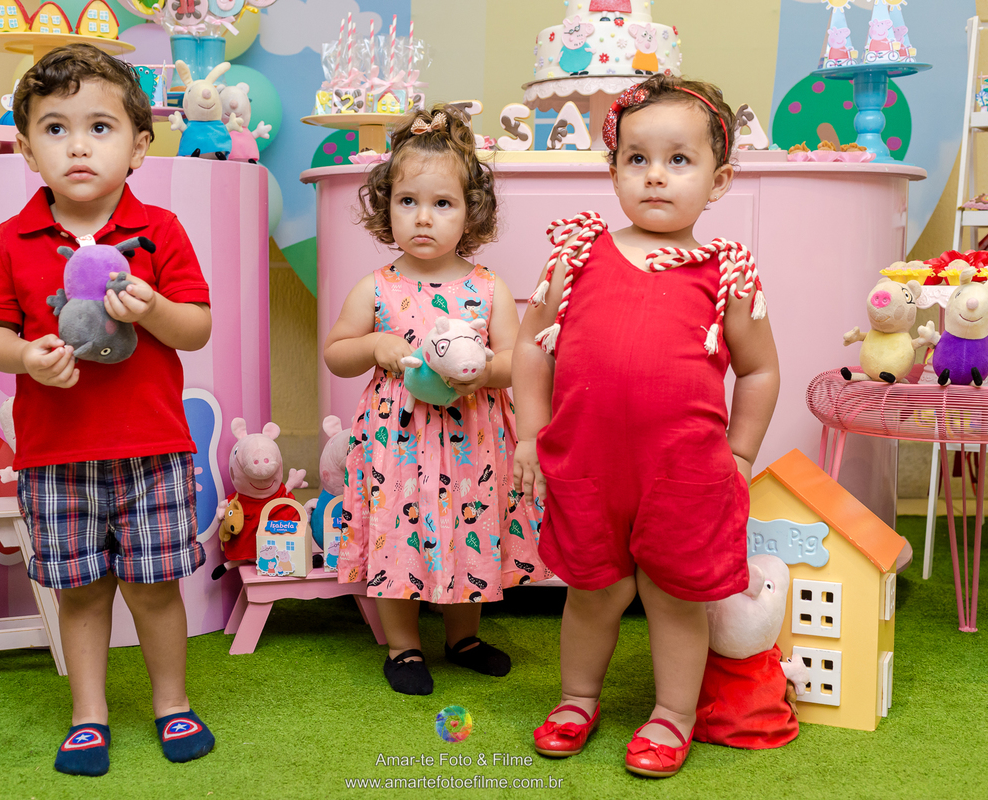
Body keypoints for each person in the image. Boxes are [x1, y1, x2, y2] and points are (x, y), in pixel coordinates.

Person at [512, 75, 780, 778]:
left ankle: (672, 714)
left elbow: (759, 370)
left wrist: (740, 453)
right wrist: (530, 435)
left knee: (675, 596)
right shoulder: (576, 258)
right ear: (613, 171)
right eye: (637, 159)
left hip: (685, 472)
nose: (655, 175)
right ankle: (577, 698)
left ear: (719, 180)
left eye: (679, 160)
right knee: (592, 590)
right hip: (588, 467)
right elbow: (531, 349)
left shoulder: (727, 275)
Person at [0, 44, 214, 777]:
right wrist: (26, 357)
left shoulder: (160, 231)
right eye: (56, 129)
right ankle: (89, 716)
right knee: (79, 594)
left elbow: (196, 329)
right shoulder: (12, 239)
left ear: (139, 146)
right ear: (27, 150)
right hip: (55, 455)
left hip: (152, 449)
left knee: (155, 588)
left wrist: (153, 308)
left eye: (100, 128)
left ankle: (172, 703)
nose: (78, 146)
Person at [324, 107, 551, 696]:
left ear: (471, 211)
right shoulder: (377, 288)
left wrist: (483, 371)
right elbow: (337, 354)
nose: (423, 217)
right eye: (408, 201)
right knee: (396, 532)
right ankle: (402, 645)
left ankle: (463, 636)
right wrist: (374, 345)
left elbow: (520, 360)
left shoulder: (488, 287)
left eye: (442, 203)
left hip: (472, 441)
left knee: (470, 526)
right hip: (397, 443)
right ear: (386, 207)